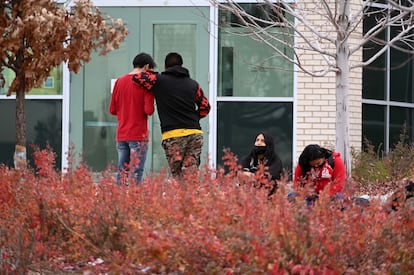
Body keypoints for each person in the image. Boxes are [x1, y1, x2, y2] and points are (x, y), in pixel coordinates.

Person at [132, 52, 211, 178]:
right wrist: (194, 118)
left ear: (165, 66)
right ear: (182, 65)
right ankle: (192, 196)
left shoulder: (158, 81)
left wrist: (152, 72)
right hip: (194, 133)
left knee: (178, 175)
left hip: (173, 135)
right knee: (191, 174)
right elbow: (205, 107)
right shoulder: (193, 84)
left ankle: (183, 197)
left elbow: (137, 77)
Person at [109, 52, 156, 185]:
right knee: (136, 172)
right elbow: (149, 110)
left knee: (122, 172)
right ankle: (134, 202)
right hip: (138, 134)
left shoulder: (119, 81)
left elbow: (112, 109)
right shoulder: (144, 84)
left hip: (122, 134)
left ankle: (120, 201)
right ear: (147, 67)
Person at [240, 132, 283, 196]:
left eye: (262, 141)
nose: (259, 143)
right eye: (257, 140)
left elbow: (269, 176)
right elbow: (240, 170)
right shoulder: (250, 158)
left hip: (269, 195)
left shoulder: (275, 160)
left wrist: (251, 176)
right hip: (248, 196)